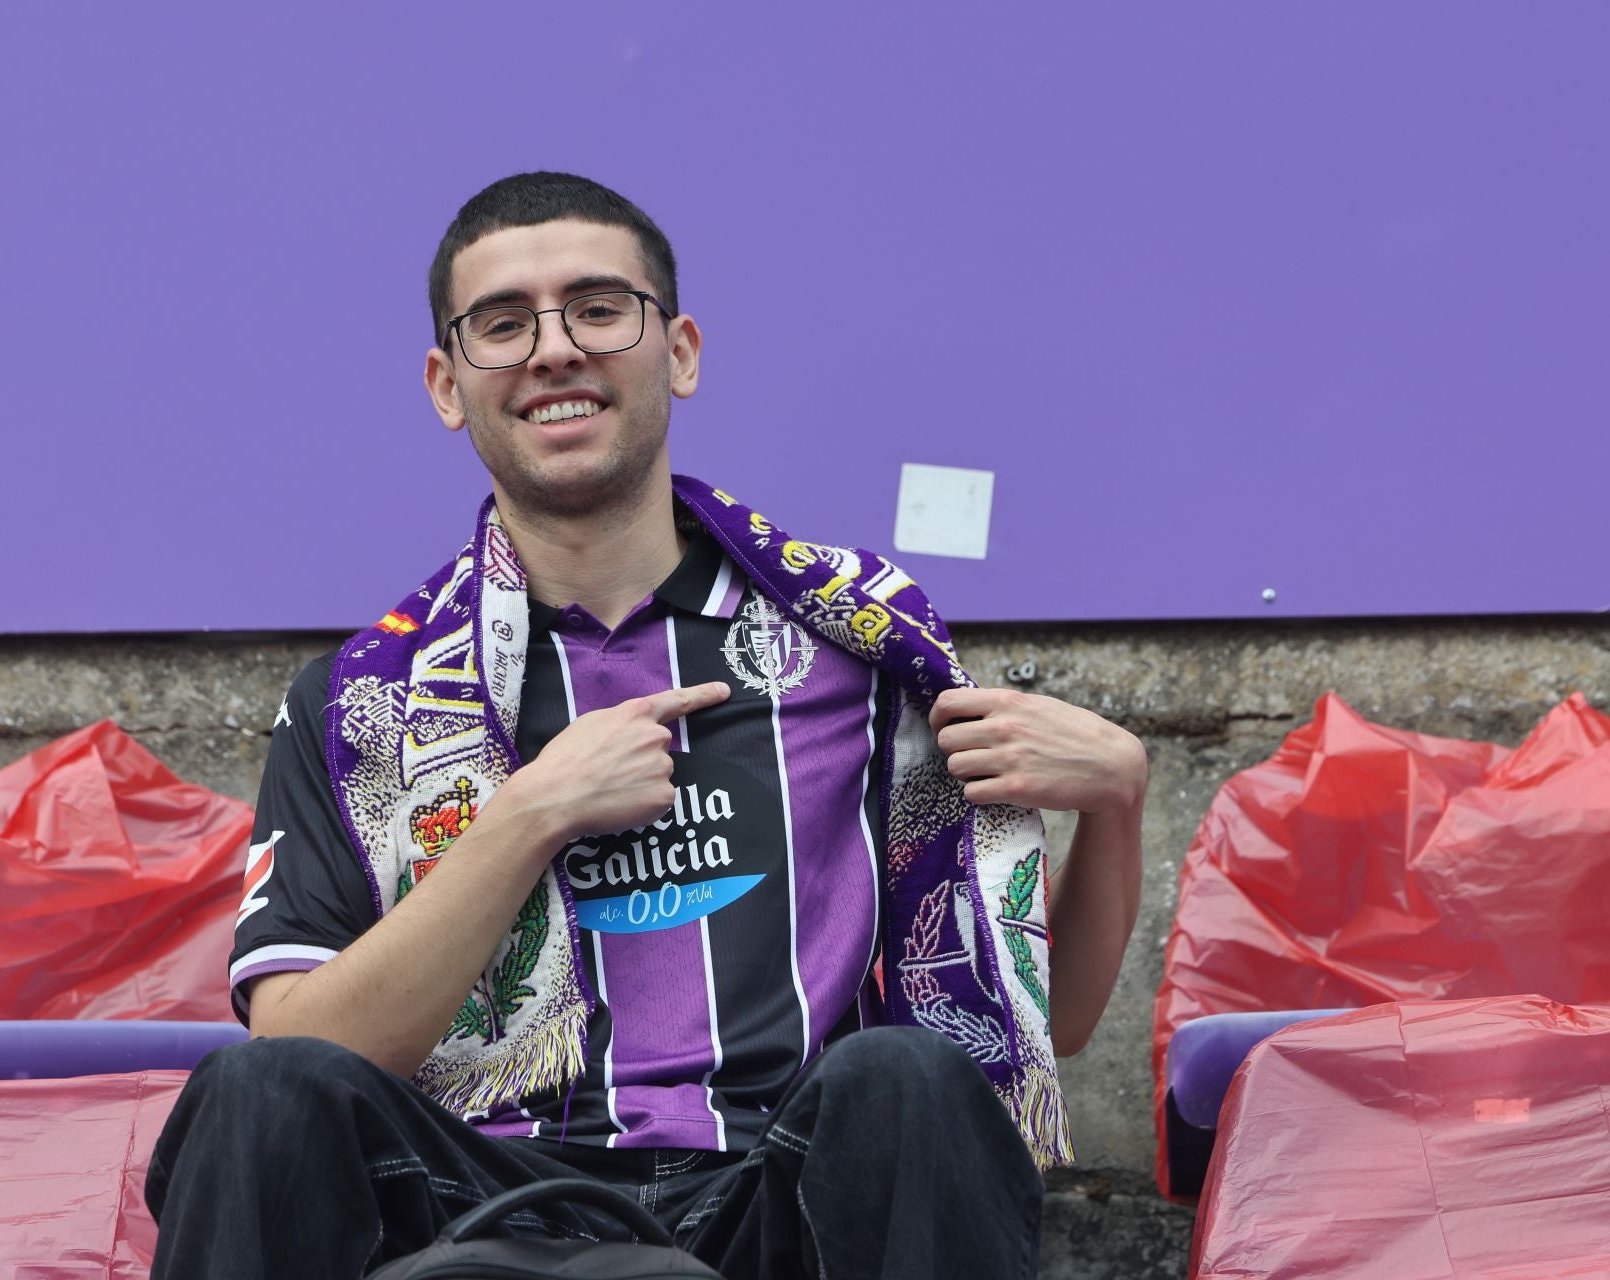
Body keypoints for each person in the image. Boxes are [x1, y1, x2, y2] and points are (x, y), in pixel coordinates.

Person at [145, 172, 1147, 1280]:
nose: (554, 348)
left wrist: (1117, 803)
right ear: (446, 382)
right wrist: (525, 818)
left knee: (905, 1079)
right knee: (251, 1087)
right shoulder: (365, 700)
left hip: (771, 1191)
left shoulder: (859, 646)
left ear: (678, 350)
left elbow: (1039, 1025)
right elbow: (302, 1055)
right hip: (472, 1197)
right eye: (503, 323)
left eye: (599, 307)